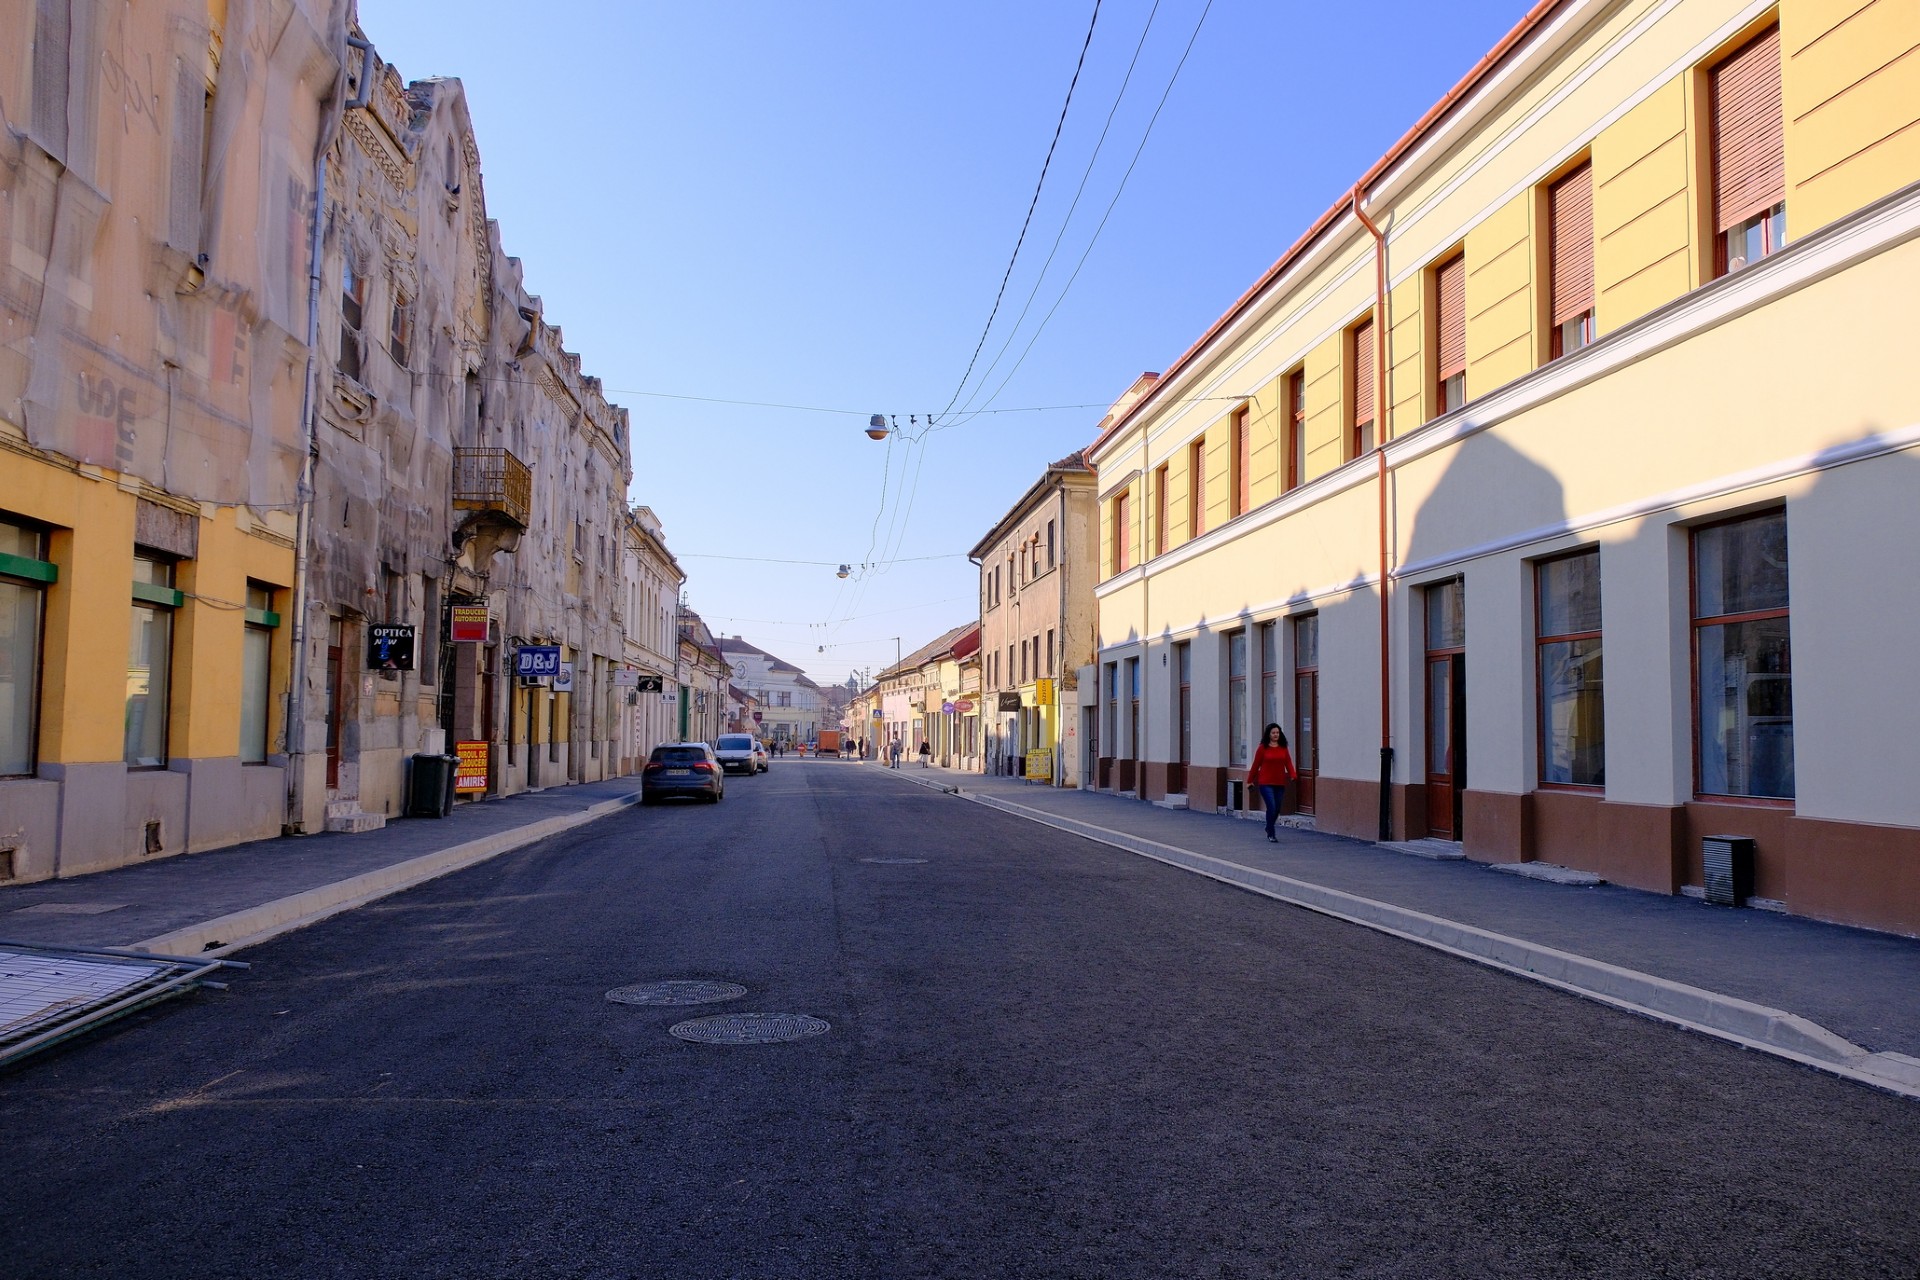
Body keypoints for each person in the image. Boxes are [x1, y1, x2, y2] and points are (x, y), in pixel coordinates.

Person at [1249, 723, 1298, 843]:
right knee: (1271, 806)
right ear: (1269, 734)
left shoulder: (1283, 747)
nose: (1276, 735)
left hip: (1279, 782)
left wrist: (1293, 774)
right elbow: (1255, 765)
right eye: (1273, 733)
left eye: (1277, 733)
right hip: (1265, 782)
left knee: (1277, 808)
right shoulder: (1262, 748)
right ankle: (1271, 833)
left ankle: (1268, 826)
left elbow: (1288, 762)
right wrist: (1249, 780)